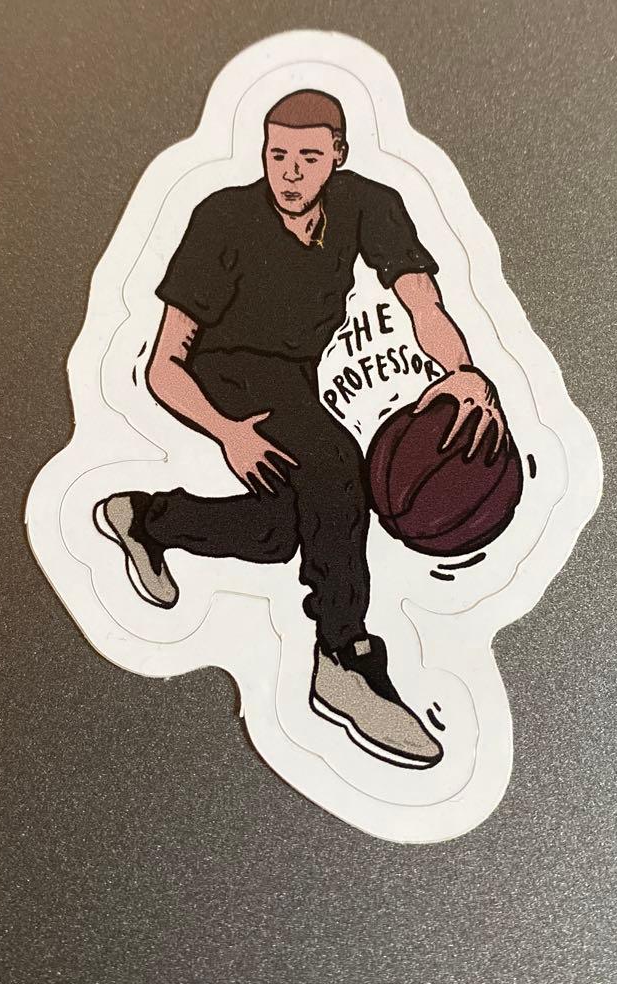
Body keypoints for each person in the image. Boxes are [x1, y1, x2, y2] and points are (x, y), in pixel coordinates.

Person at [95, 90, 506, 768]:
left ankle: (146, 519)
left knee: (288, 530)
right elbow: (165, 365)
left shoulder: (368, 204)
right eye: (276, 154)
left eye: (309, 157)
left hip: (292, 382)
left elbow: (421, 300)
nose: (289, 172)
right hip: (220, 375)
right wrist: (227, 431)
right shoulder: (223, 218)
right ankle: (343, 656)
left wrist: (462, 371)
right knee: (337, 470)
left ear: (338, 156)